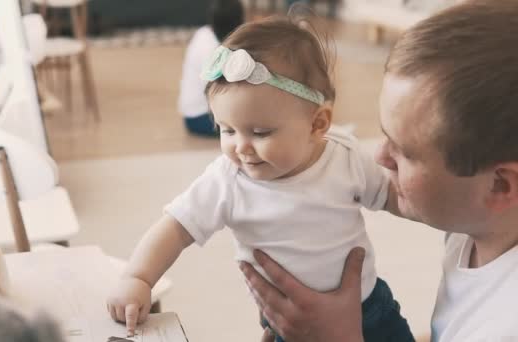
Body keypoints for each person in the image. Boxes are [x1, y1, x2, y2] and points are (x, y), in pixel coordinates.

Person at [107, 12, 414, 342]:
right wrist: (138, 278)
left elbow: (391, 195)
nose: (241, 148)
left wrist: (431, 208)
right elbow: (176, 227)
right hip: (288, 323)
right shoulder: (228, 180)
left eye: (260, 132)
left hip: (369, 306)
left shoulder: (344, 155)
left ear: (317, 124)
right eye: (226, 130)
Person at [241, 1, 518, 341]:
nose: (380, 157)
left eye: (404, 151)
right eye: (384, 135)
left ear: (501, 186)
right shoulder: (478, 225)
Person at [178, 0, 244, 137]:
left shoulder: (203, 33)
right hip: (200, 118)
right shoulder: (215, 53)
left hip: (191, 112)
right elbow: (229, 95)